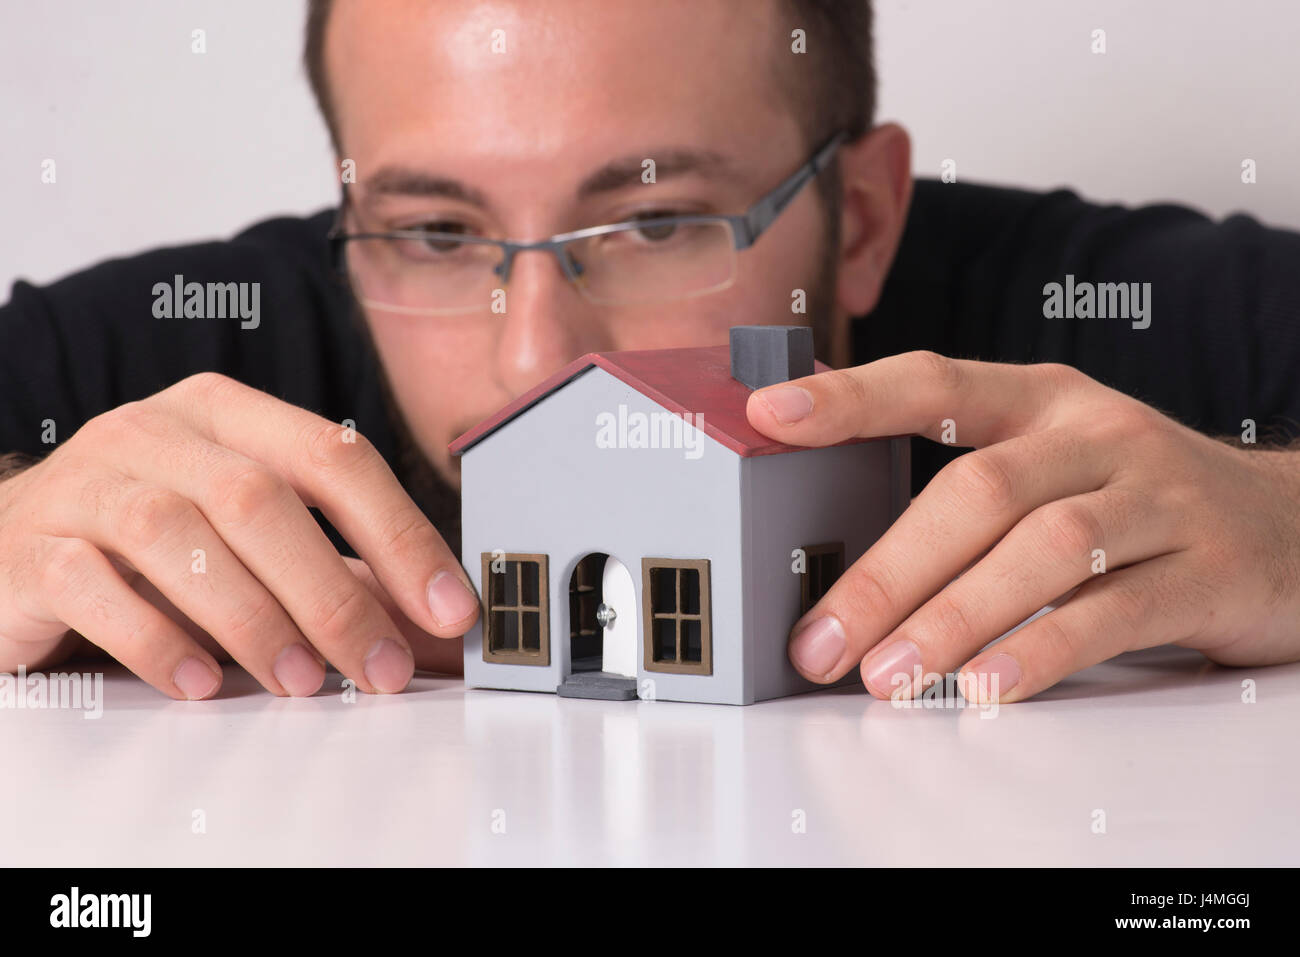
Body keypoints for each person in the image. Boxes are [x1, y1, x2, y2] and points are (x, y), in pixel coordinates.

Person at [1, 0, 1298, 704]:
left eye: (657, 221)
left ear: (865, 218)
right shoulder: (226, 335)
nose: (532, 359)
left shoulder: (1085, 310)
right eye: (435, 232)